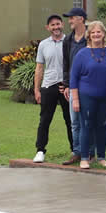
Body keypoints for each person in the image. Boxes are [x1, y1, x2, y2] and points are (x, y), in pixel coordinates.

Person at [68, 20, 106, 169]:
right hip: (86, 96)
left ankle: (101, 157)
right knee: (86, 126)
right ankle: (84, 158)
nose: (96, 34)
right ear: (89, 35)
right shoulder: (82, 54)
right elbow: (73, 78)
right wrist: (75, 99)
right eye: (93, 32)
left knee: (102, 126)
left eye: (99, 32)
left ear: (104, 34)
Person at [32, 14, 74, 163]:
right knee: (44, 120)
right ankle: (40, 150)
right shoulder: (43, 44)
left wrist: (72, 85)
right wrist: (37, 89)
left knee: (70, 120)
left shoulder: (69, 41)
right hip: (48, 86)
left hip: (66, 86)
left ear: (62, 24)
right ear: (48, 28)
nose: (56, 27)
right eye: (52, 25)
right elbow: (39, 68)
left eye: (58, 24)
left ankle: (75, 150)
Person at [61, 6, 89, 165]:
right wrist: (65, 85)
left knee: (88, 120)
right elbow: (65, 63)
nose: (69, 21)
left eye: (72, 17)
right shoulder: (68, 40)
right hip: (73, 86)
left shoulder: (90, 37)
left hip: (88, 85)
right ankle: (77, 151)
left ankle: (90, 152)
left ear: (81, 19)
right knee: (75, 121)